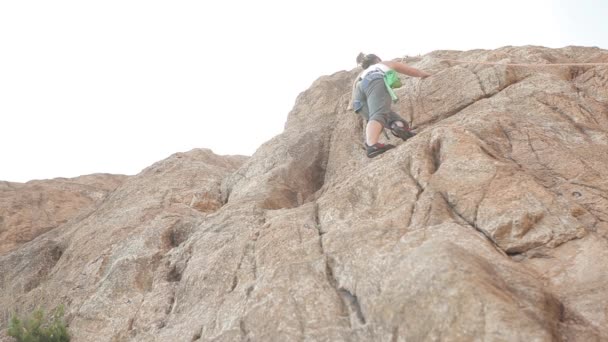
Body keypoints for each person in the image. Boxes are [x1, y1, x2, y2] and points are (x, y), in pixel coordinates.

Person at [351, 53, 431, 158]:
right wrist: (427, 75)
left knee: (384, 114)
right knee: (378, 113)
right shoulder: (384, 64)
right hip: (374, 81)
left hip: (358, 95)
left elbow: (354, 89)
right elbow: (412, 71)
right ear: (377, 59)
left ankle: (399, 127)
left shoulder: (362, 73)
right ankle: (372, 145)